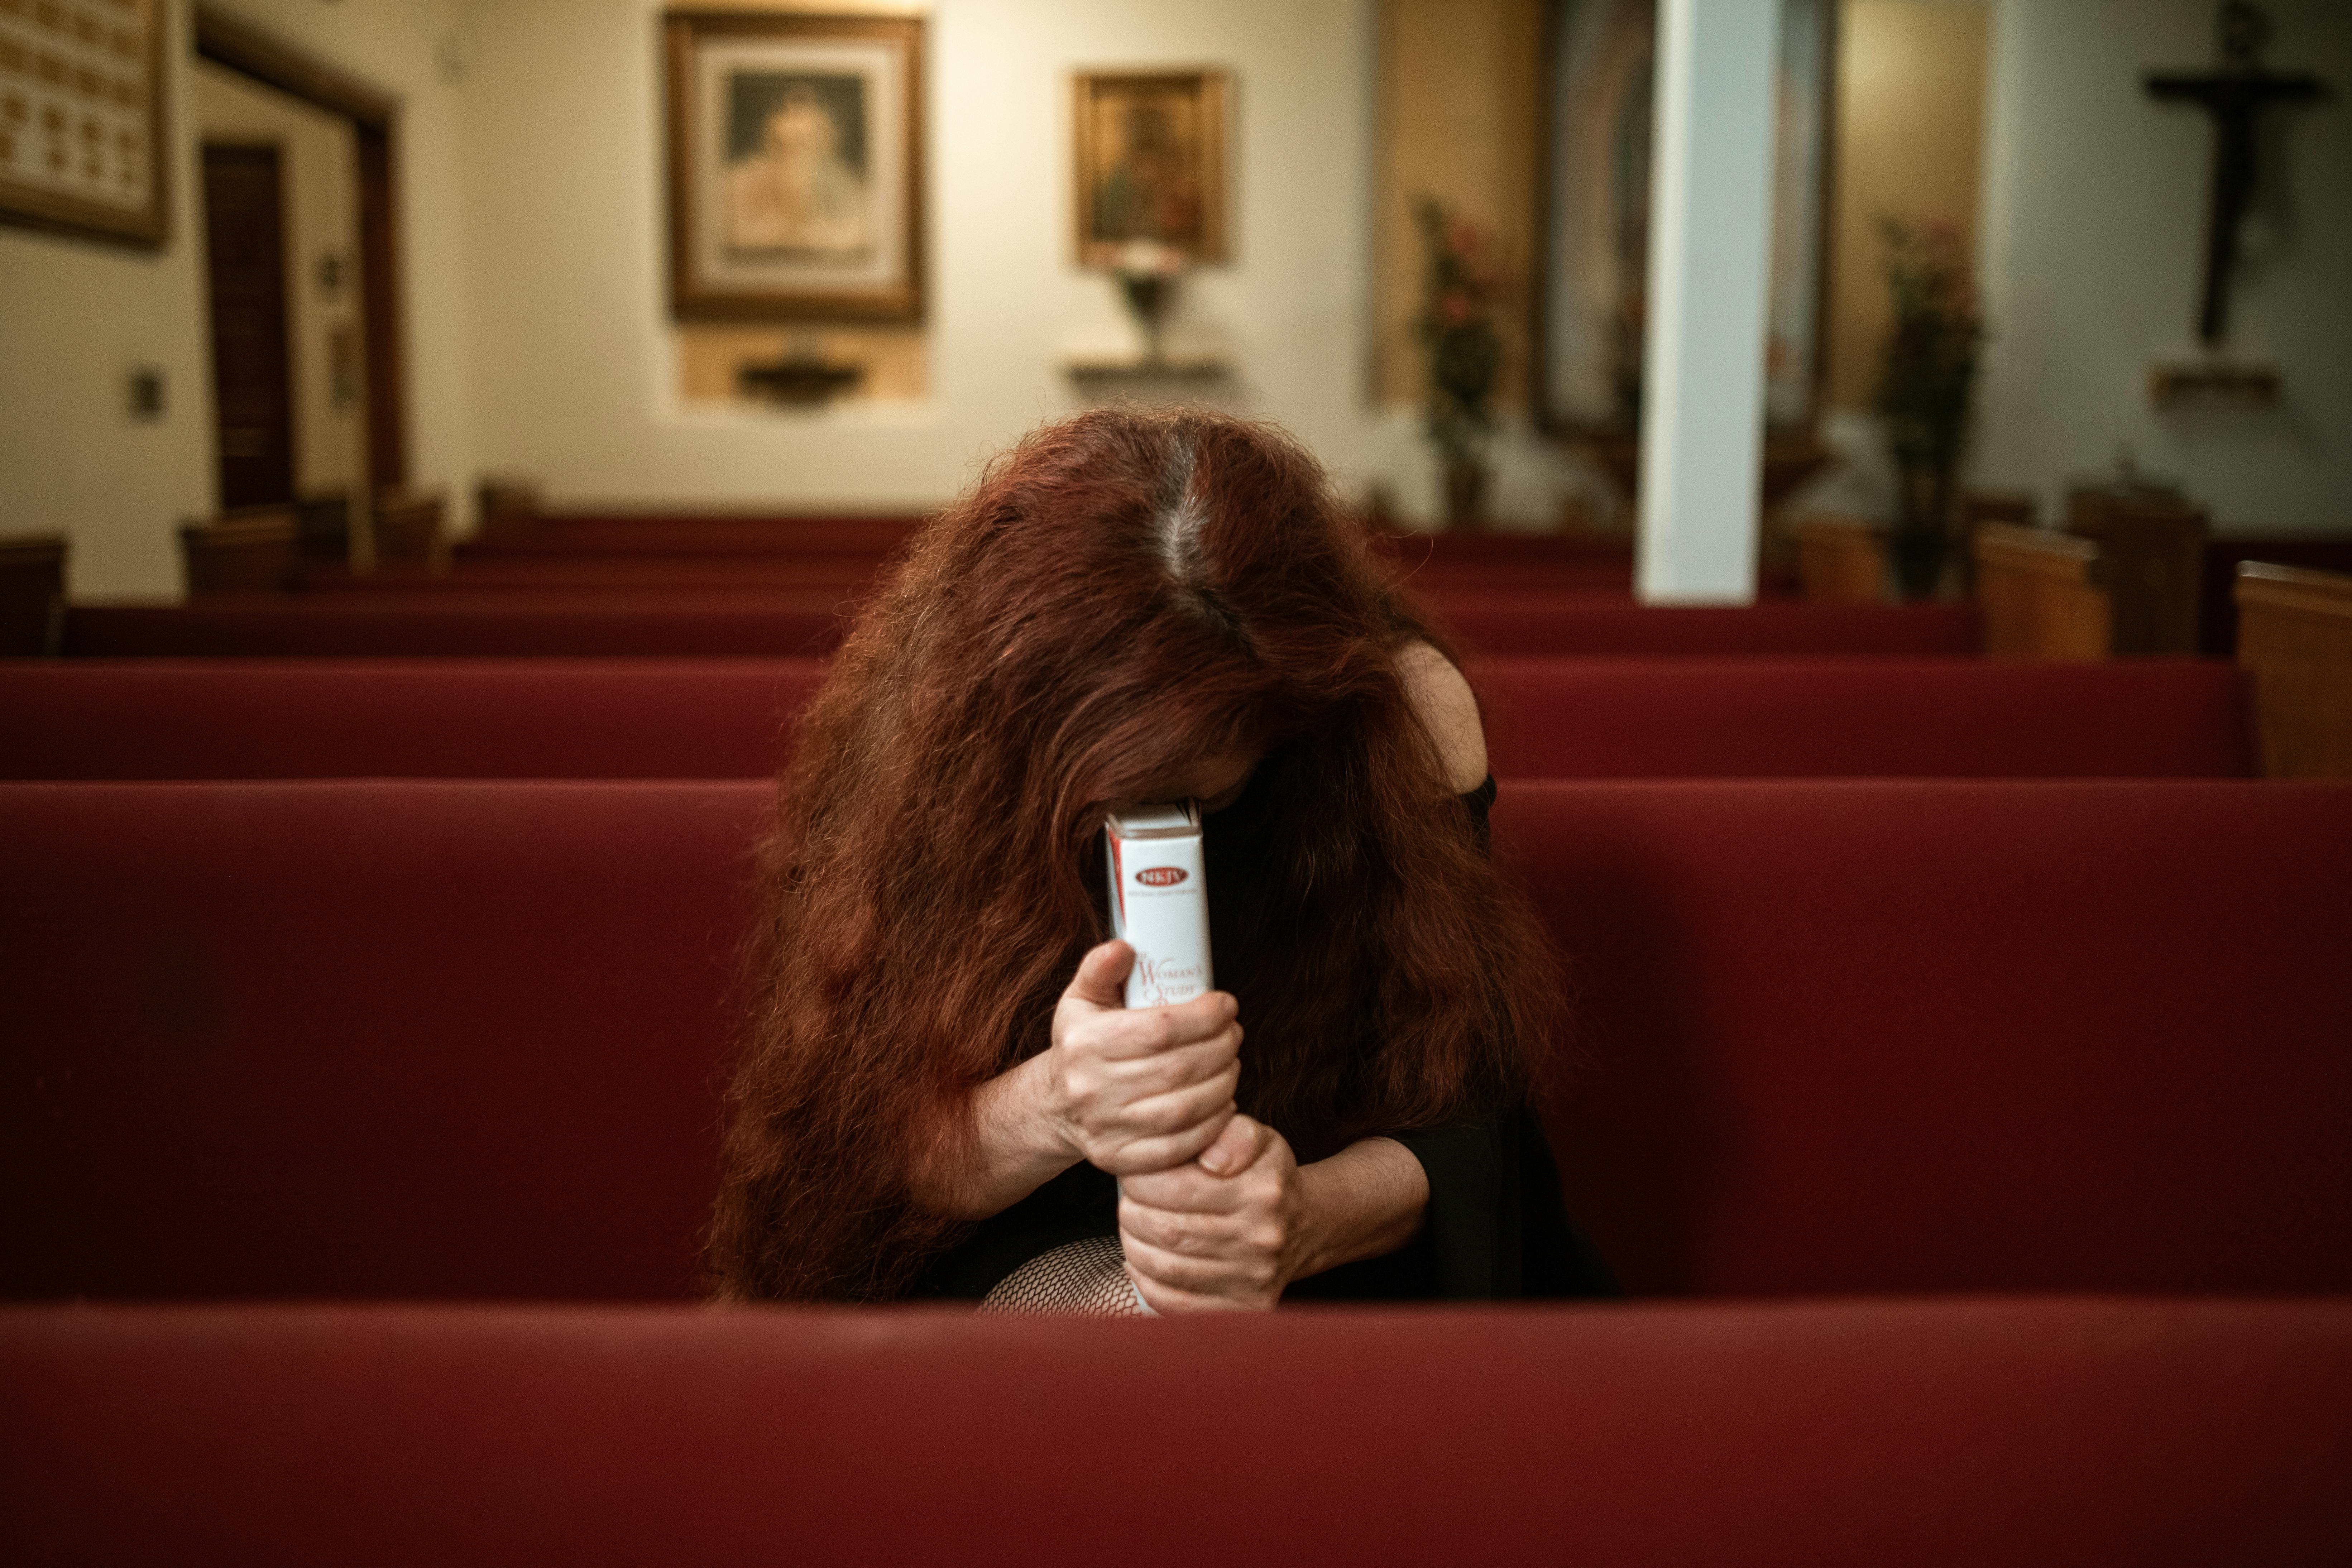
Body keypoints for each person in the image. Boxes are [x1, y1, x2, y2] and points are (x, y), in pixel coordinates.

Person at [709, 408, 1617, 1310]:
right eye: (1115, 754)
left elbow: (1470, 1121)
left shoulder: (1397, 712)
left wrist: (1303, 1216)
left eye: (1208, 751)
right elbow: (864, 1166)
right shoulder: (944, 736)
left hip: (1331, 1229)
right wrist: (1060, 1102)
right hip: (1034, 1229)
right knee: (1122, 1359)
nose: (1156, 792)